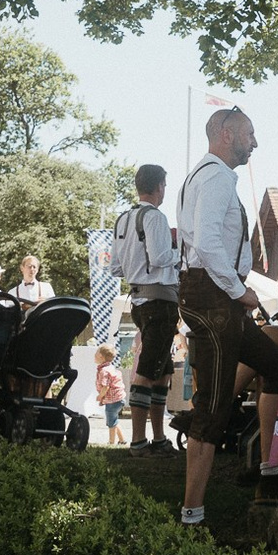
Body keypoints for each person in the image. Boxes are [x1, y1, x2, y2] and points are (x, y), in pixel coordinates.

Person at [175, 109, 278, 526]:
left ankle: (271, 475)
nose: (255, 142)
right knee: (212, 411)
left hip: (215, 295)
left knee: (277, 365)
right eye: (250, 134)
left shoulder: (203, 176)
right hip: (215, 297)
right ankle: (192, 517)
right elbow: (205, 242)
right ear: (226, 134)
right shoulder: (216, 176)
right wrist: (240, 292)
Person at [114, 164, 178, 453]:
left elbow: (116, 267)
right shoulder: (155, 217)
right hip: (159, 300)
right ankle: (138, 440)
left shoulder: (122, 219)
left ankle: (158, 438)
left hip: (138, 301)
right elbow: (162, 257)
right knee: (147, 371)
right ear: (160, 187)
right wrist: (181, 246)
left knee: (162, 370)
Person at [94, 343, 127, 444]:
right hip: (118, 399)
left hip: (113, 400)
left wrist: (100, 396)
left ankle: (111, 442)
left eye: (96, 353)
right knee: (114, 420)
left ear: (101, 356)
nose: (94, 355)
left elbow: (106, 386)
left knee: (111, 423)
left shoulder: (104, 371)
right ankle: (122, 440)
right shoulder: (110, 367)